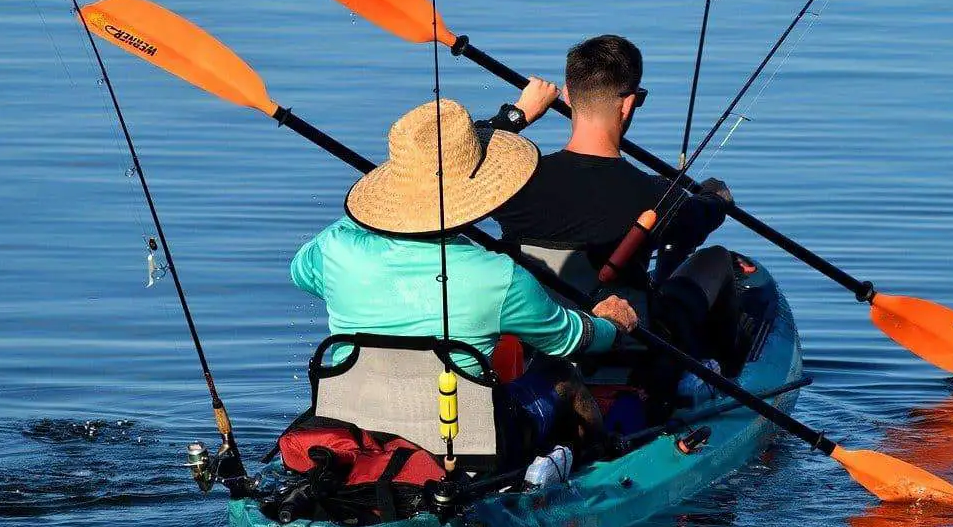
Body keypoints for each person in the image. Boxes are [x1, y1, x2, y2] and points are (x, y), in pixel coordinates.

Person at [289, 98, 639, 458]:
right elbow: (569, 339)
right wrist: (610, 326)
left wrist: (377, 206)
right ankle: (588, 473)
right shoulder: (498, 275)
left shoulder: (335, 247)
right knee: (560, 372)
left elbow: (301, 273)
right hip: (465, 445)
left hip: (359, 433)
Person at [477, 35, 745, 420]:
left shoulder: (512, 182)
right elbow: (703, 217)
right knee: (718, 260)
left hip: (537, 345)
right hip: (627, 352)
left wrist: (515, 117)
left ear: (566, 95)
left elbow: (452, 159)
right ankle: (725, 383)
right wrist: (716, 197)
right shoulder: (654, 195)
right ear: (630, 103)